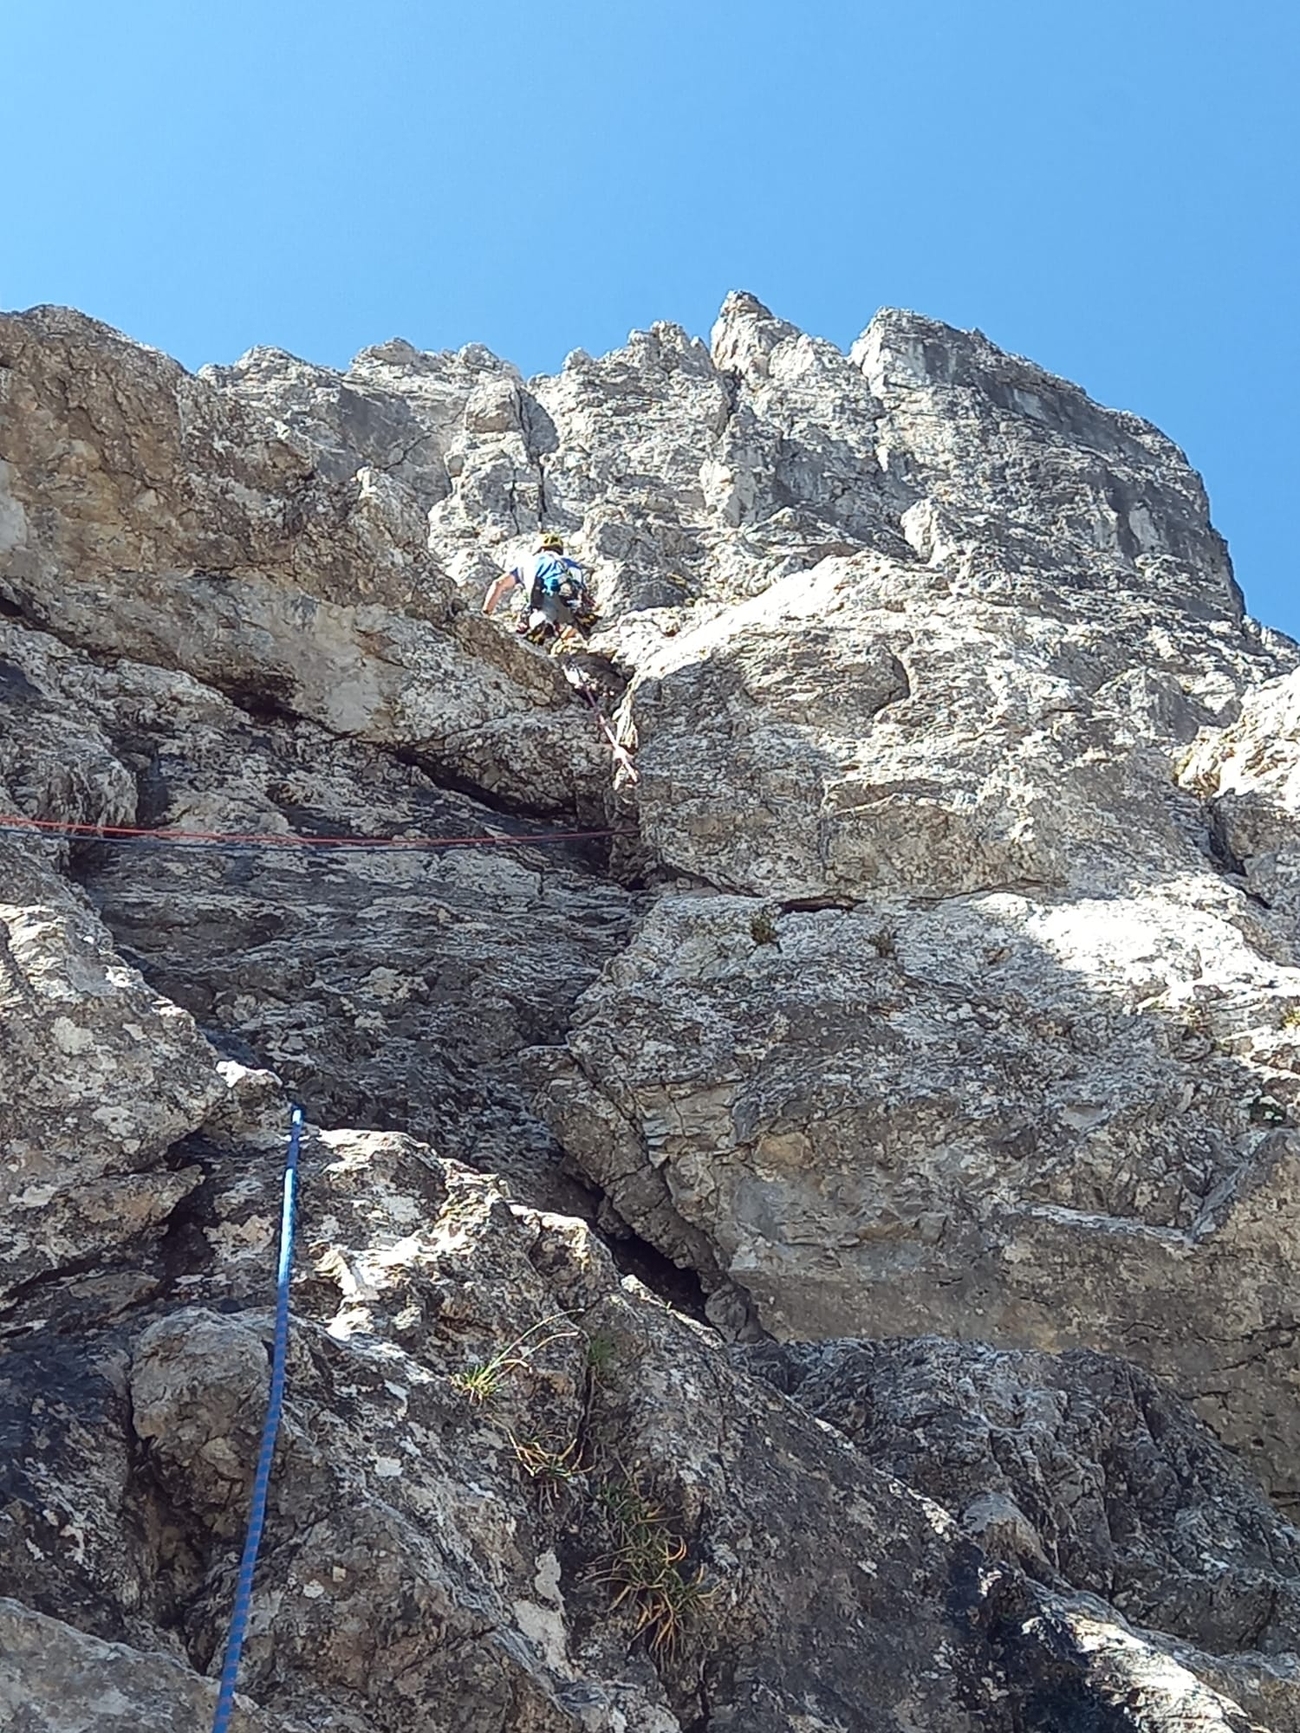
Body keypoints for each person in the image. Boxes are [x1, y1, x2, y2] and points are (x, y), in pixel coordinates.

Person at [482, 534, 593, 644]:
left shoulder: (529, 562)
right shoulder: (573, 564)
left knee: (537, 612)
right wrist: (564, 639)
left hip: (543, 594)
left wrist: (485, 615)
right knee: (573, 610)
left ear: (539, 548)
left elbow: (499, 584)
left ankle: (541, 622)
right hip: (570, 595)